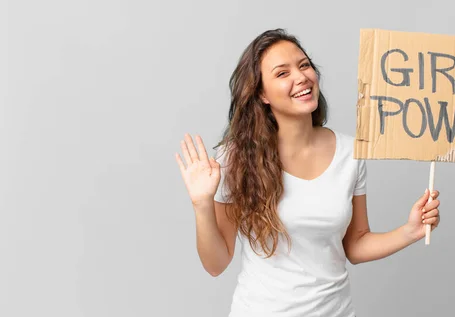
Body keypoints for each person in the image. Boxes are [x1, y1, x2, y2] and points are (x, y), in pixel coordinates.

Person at [174, 28, 441, 317]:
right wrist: (202, 205)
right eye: (282, 73)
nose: (301, 77)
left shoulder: (351, 153)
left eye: (304, 65)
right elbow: (216, 264)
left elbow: (355, 244)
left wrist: (410, 231)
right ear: (261, 93)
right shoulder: (234, 158)